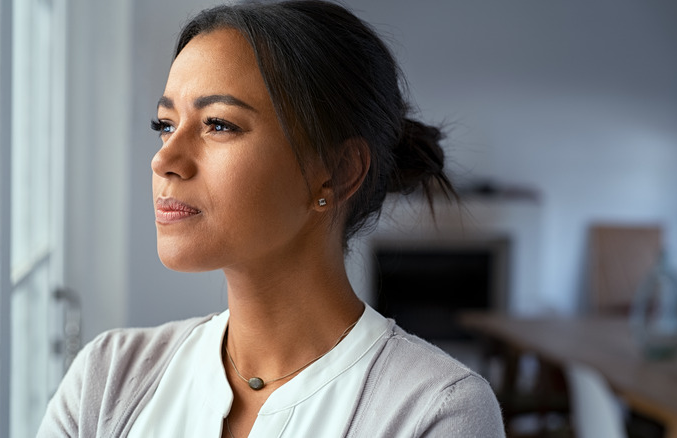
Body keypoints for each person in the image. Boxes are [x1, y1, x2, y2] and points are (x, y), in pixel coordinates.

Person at [38, 1, 504, 437]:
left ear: (337, 173)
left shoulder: (436, 412)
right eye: (165, 125)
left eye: (218, 124)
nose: (165, 160)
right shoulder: (106, 378)